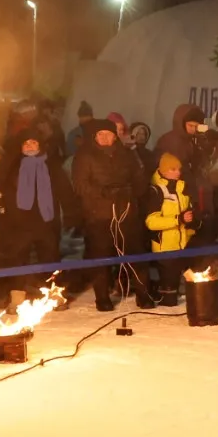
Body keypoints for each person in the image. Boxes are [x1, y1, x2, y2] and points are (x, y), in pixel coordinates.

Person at [0, 133, 74, 305]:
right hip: (18, 223)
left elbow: (65, 191)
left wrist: (71, 214)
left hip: (46, 221)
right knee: (18, 261)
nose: (29, 145)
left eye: (34, 142)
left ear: (40, 145)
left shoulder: (52, 165)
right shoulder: (12, 165)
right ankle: (16, 298)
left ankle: (54, 296)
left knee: (50, 259)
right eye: (26, 143)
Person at [71, 119, 143, 310]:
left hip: (126, 212)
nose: (104, 138)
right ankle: (102, 297)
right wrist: (102, 192)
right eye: (100, 134)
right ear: (94, 137)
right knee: (100, 256)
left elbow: (139, 178)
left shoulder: (126, 154)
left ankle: (143, 293)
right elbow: (79, 184)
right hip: (99, 215)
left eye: (108, 134)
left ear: (115, 136)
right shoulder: (84, 156)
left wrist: (130, 191)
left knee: (134, 253)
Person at [144, 151, 197, 306]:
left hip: (183, 245)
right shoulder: (156, 191)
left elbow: (188, 212)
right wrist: (178, 219)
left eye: (178, 169)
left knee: (188, 290)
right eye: (173, 169)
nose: (177, 172)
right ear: (163, 170)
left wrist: (193, 222)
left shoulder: (182, 188)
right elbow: (151, 222)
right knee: (169, 300)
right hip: (164, 247)